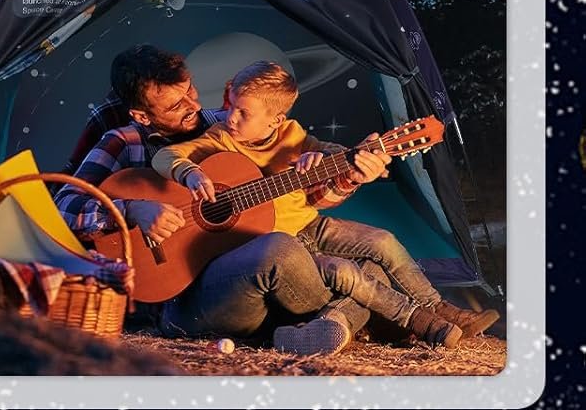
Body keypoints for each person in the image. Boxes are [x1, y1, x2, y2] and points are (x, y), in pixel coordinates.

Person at [57, 46, 435, 357]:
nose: (193, 106)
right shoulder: (122, 143)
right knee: (285, 250)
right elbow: (62, 210)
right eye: (175, 105)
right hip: (181, 298)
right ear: (141, 115)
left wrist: (347, 172)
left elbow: (305, 192)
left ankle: (329, 324)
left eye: (190, 91)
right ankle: (353, 315)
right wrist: (130, 211)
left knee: (368, 256)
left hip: (253, 278)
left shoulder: (229, 122)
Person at [153, 60, 497, 352]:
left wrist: (355, 159)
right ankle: (399, 321)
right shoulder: (219, 138)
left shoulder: (292, 135)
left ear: (275, 120)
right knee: (349, 272)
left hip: (308, 227)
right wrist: (190, 173)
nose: (231, 117)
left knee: (383, 240)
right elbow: (164, 156)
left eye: (243, 113)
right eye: (231, 106)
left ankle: (438, 307)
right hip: (271, 243)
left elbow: (330, 152)